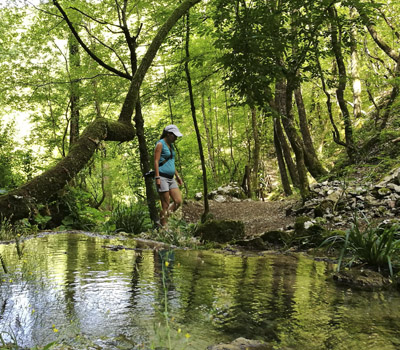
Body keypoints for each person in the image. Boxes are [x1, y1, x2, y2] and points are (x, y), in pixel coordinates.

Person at [154, 124, 183, 227]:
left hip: (171, 178)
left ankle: (163, 219)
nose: (175, 138)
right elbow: (156, 161)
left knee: (178, 201)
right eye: (174, 135)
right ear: (168, 134)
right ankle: (164, 227)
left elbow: (171, 162)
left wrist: (177, 176)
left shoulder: (171, 146)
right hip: (162, 177)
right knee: (165, 204)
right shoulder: (160, 144)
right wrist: (157, 177)